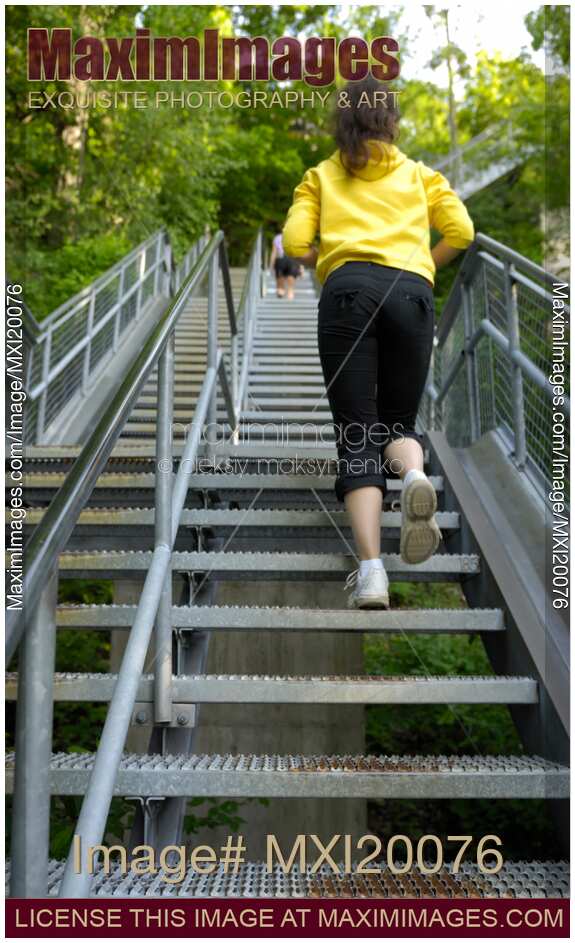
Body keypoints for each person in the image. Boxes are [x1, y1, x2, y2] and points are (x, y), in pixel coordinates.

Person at [282, 76, 474, 610]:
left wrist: (334, 257)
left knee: (356, 435)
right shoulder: (420, 175)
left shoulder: (320, 175)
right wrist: (419, 268)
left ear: (342, 120)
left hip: (347, 293)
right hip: (410, 294)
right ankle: (413, 473)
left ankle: (371, 575)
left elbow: (296, 243)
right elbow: (461, 230)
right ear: (390, 119)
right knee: (398, 425)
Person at [269, 232, 300, 299]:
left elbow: (274, 252)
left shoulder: (277, 238)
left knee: (280, 287)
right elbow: (299, 252)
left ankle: (280, 293)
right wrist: (301, 267)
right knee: (290, 289)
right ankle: (289, 298)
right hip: (292, 260)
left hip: (281, 259)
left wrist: (271, 265)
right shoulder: (295, 237)